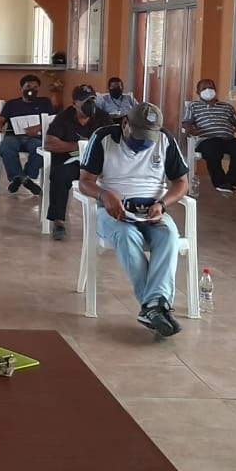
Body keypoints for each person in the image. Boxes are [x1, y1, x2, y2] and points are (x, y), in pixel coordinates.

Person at [79, 102, 190, 338]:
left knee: (169, 235)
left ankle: (153, 307)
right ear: (125, 124)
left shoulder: (165, 140)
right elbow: (85, 181)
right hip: (113, 212)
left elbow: (182, 183)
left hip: (153, 211)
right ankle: (156, 305)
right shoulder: (103, 138)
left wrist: (163, 204)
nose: (144, 142)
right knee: (127, 235)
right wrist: (105, 195)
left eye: (149, 137)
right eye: (139, 136)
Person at [43, 83, 110, 240]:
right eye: (85, 101)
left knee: (117, 175)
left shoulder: (103, 117)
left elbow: (113, 140)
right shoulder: (63, 118)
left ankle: (113, 219)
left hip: (95, 163)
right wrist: (80, 146)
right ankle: (59, 222)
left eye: (92, 100)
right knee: (59, 176)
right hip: (70, 161)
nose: (90, 104)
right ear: (75, 104)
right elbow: (50, 144)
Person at [182, 78, 236, 194]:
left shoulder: (227, 107)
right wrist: (190, 129)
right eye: (204, 88)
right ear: (198, 92)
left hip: (228, 139)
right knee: (212, 151)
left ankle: (230, 182)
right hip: (207, 139)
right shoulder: (193, 106)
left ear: (215, 90)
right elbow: (186, 121)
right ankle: (220, 182)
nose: (208, 90)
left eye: (210, 88)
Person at [0, 74, 53, 195]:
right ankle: (21, 178)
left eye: (35, 87)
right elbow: (0, 119)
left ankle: (24, 177)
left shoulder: (45, 102)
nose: (32, 90)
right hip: (13, 137)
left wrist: (37, 128)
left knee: (41, 150)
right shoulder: (11, 104)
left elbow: (53, 120)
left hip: (35, 138)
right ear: (21, 89)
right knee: (5, 147)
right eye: (28, 87)